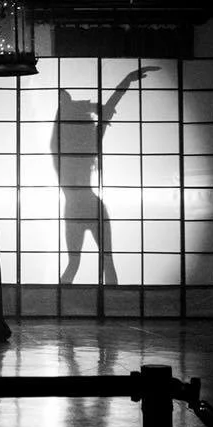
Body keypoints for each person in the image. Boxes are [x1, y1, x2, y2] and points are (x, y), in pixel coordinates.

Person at [53, 66, 159, 285]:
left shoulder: (61, 150)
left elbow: (70, 114)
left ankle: (66, 305)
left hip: (76, 207)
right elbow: (108, 107)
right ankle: (112, 306)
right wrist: (126, 81)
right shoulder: (86, 143)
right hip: (90, 205)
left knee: (78, 263)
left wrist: (126, 81)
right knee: (103, 260)